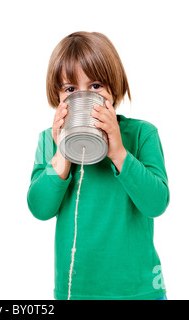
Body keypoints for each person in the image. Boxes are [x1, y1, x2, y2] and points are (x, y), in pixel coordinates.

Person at [27, 32, 169, 300]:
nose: (83, 98)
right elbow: (40, 208)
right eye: (70, 90)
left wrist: (119, 152)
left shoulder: (142, 134)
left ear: (113, 89)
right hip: (77, 292)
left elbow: (157, 203)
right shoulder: (49, 140)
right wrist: (62, 154)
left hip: (138, 292)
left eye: (95, 87)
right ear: (58, 99)